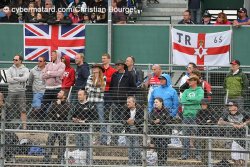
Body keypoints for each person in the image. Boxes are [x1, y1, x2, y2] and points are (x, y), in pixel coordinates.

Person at [218, 101, 250, 166]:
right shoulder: (226, 114)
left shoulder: (242, 113)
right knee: (235, 159)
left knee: (244, 161)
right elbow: (219, 122)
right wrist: (232, 124)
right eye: (228, 106)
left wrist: (243, 124)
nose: (229, 107)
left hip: (244, 137)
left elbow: (249, 119)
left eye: (231, 106)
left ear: (235, 107)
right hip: (234, 138)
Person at [179, 76, 204, 160]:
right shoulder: (186, 90)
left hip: (196, 115)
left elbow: (199, 99)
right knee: (185, 136)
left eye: (191, 80)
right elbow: (182, 101)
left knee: (197, 136)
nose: (189, 81)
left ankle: (198, 155)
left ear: (195, 81)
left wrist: (188, 100)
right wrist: (192, 100)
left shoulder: (200, 90)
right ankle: (185, 155)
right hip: (186, 115)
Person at [44, 90, 71, 164]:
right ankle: (46, 160)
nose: (58, 93)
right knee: (50, 143)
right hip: (54, 126)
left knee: (62, 144)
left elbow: (63, 114)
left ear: (64, 96)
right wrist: (57, 115)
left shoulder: (67, 104)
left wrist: (58, 108)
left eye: (60, 93)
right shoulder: (54, 102)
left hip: (62, 127)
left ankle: (60, 161)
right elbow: (49, 113)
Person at [85, 64, 107, 145]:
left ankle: (103, 140)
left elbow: (102, 90)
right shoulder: (90, 77)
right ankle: (89, 139)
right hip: (90, 100)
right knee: (89, 119)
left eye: (95, 68)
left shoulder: (103, 77)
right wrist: (96, 89)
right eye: (93, 68)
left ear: (99, 69)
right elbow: (87, 88)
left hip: (99, 101)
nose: (94, 69)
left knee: (101, 120)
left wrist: (92, 89)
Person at [6, 55, 29, 129]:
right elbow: (8, 80)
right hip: (11, 91)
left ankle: (24, 127)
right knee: (8, 108)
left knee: (23, 109)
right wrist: (19, 79)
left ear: (20, 61)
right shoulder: (10, 69)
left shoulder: (25, 69)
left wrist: (15, 78)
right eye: (13, 59)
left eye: (16, 60)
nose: (14, 61)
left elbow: (25, 79)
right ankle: (7, 126)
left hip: (21, 91)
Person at [149, 97, 172, 166]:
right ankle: (160, 163)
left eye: (156, 102)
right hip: (156, 132)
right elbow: (150, 120)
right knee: (158, 149)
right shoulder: (153, 110)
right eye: (154, 102)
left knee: (164, 148)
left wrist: (160, 121)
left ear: (161, 102)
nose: (155, 103)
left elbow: (168, 120)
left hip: (164, 132)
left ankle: (163, 163)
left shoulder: (166, 110)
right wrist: (154, 122)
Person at [72, 89, 92, 164]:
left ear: (85, 95)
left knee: (87, 147)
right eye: (78, 95)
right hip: (77, 128)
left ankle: (88, 163)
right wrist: (74, 119)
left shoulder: (90, 105)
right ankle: (79, 163)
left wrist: (84, 121)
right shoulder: (76, 105)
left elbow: (93, 117)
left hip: (86, 129)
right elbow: (72, 116)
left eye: (80, 95)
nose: (78, 96)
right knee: (78, 147)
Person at [122, 96, 144, 165]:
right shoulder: (125, 109)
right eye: (127, 102)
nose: (127, 103)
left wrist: (134, 122)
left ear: (134, 102)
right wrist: (127, 122)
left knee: (136, 149)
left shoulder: (140, 109)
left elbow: (143, 119)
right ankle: (131, 164)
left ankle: (138, 163)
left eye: (129, 102)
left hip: (137, 131)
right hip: (128, 131)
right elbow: (121, 119)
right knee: (130, 150)